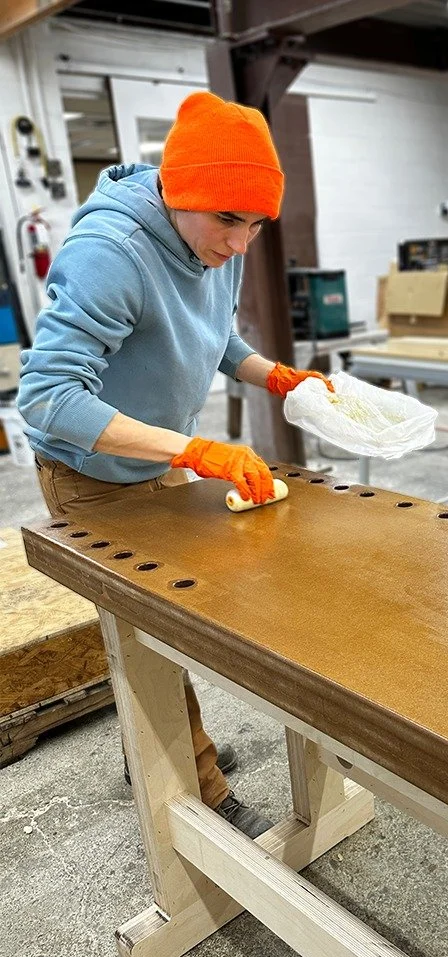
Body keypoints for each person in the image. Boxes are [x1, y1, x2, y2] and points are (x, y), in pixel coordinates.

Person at [18, 90, 332, 839]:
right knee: (145, 629)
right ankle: (199, 793)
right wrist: (191, 449)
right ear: (178, 191)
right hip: (92, 470)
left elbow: (208, 333)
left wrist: (271, 374)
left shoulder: (212, 240)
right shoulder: (111, 254)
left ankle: (155, 743)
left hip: (163, 457)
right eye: (229, 219)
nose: (239, 244)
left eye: (256, 225)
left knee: (177, 618)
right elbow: (47, 398)